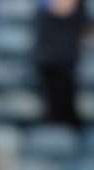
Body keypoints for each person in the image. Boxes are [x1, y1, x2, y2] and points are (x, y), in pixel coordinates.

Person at [34, 0, 88, 128]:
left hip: (66, 60)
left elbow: (66, 10)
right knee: (52, 109)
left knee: (66, 107)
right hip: (48, 59)